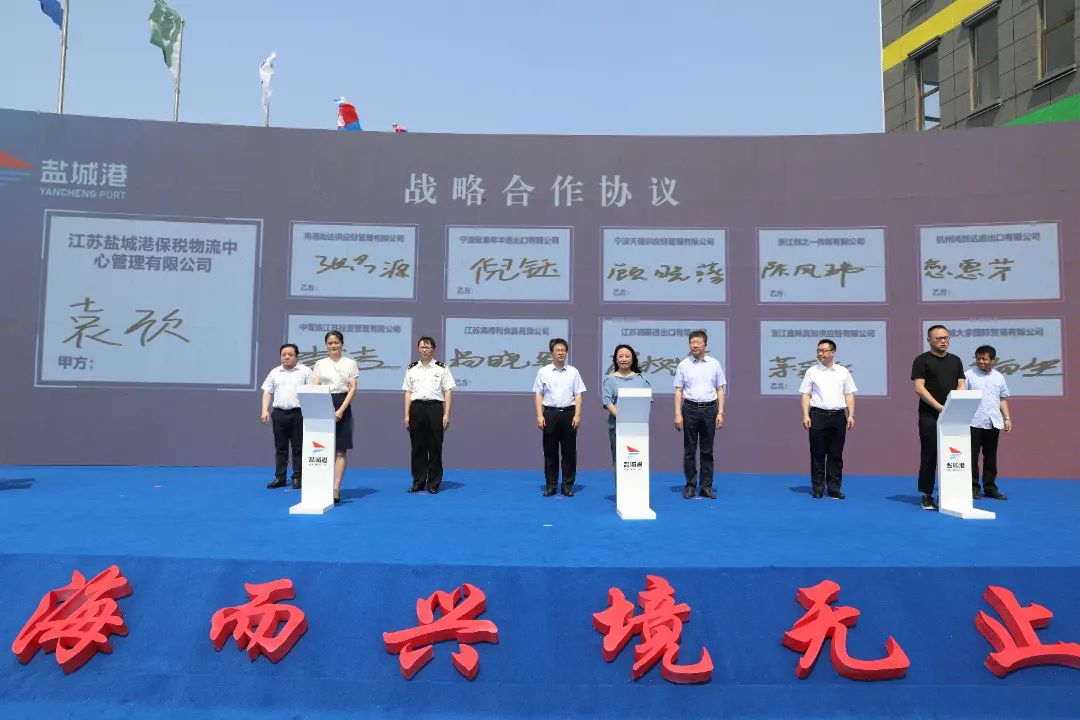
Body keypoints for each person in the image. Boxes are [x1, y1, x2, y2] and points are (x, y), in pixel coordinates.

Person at [911, 324, 966, 511]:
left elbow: (961, 384)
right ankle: (927, 495)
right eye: (938, 338)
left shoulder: (956, 360)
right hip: (930, 415)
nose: (943, 341)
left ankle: (952, 493)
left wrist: (954, 405)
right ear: (929, 340)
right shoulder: (922, 360)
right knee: (930, 454)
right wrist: (939, 407)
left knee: (954, 453)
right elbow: (919, 388)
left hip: (953, 414)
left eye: (946, 338)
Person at [799, 339, 857, 500]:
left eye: (824, 351)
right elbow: (806, 395)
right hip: (817, 416)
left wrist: (851, 414)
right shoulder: (811, 371)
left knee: (835, 454)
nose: (820, 353)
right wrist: (805, 414)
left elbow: (849, 394)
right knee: (817, 453)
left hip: (838, 416)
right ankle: (818, 488)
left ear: (833, 353)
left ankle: (834, 488)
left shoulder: (843, 372)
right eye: (818, 350)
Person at [673, 330, 726, 500]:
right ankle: (690, 485)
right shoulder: (684, 364)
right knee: (689, 450)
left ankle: (706, 487)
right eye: (692, 342)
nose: (695, 345)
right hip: (689, 409)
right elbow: (679, 390)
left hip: (710, 409)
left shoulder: (714, 364)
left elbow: (720, 389)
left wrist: (720, 412)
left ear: (705, 345)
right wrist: (678, 414)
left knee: (707, 450)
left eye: (698, 342)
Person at [402, 336, 456, 494]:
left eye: (428, 347)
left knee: (435, 446)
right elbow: (408, 392)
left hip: (435, 408)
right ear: (418, 349)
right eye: (422, 347)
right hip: (416, 408)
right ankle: (418, 482)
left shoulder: (442, 368)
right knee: (417, 446)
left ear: (433, 349)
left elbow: (448, 391)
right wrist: (406, 415)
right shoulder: (411, 368)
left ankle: (433, 483)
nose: (424, 350)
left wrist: (446, 414)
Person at [533, 338, 586, 497]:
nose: (561, 353)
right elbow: (538, 394)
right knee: (550, 451)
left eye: (563, 350)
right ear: (552, 353)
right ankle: (551, 485)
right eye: (558, 350)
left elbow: (578, 395)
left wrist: (577, 415)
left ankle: (567, 486)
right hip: (550, 414)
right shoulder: (543, 372)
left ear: (566, 353)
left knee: (569, 452)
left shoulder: (573, 372)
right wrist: (539, 415)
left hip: (569, 414)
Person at [312, 330, 359, 504]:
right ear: (326, 345)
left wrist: (341, 410)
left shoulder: (350, 363)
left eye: (336, 342)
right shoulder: (320, 363)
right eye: (330, 343)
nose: (333, 345)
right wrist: (321, 407)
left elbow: (352, 388)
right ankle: (321, 486)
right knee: (321, 448)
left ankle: (335, 489)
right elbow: (315, 386)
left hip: (342, 403)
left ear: (342, 344)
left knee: (340, 450)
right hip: (323, 402)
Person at [260, 343, 312, 490]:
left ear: (297, 356)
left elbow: (313, 391)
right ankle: (280, 477)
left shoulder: (305, 371)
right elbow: (267, 391)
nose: (286, 357)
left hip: (299, 414)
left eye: (290, 354)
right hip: (279, 414)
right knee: (280, 447)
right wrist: (264, 410)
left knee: (298, 447)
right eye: (283, 355)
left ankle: (298, 477)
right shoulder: (274, 372)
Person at [965, 345, 1012, 501]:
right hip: (973, 421)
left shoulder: (999, 377)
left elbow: (1002, 399)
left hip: (993, 422)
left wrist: (1007, 418)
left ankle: (990, 488)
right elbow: (960, 397)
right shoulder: (968, 375)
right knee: (971, 457)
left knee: (991, 456)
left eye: (984, 359)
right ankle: (972, 488)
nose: (981, 361)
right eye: (978, 358)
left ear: (993, 360)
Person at [601, 344, 651, 466]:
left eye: (627, 356)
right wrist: (623, 418)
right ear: (616, 359)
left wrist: (634, 420)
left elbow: (646, 402)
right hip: (617, 425)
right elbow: (608, 402)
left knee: (637, 460)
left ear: (633, 359)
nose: (624, 359)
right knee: (619, 460)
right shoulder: (609, 380)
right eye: (621, 356)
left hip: (638, 426)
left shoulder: (642, 380)